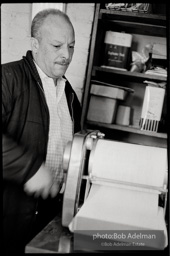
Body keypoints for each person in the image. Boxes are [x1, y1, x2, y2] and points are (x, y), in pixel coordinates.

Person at [2, 8, 81, 255]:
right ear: (34, 44)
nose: (66, 55)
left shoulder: (69, 97)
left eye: (71, 46)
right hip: (9, 217)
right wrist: (30, 169)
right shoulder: (7, 78)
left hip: (49, 217)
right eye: (57, 45)